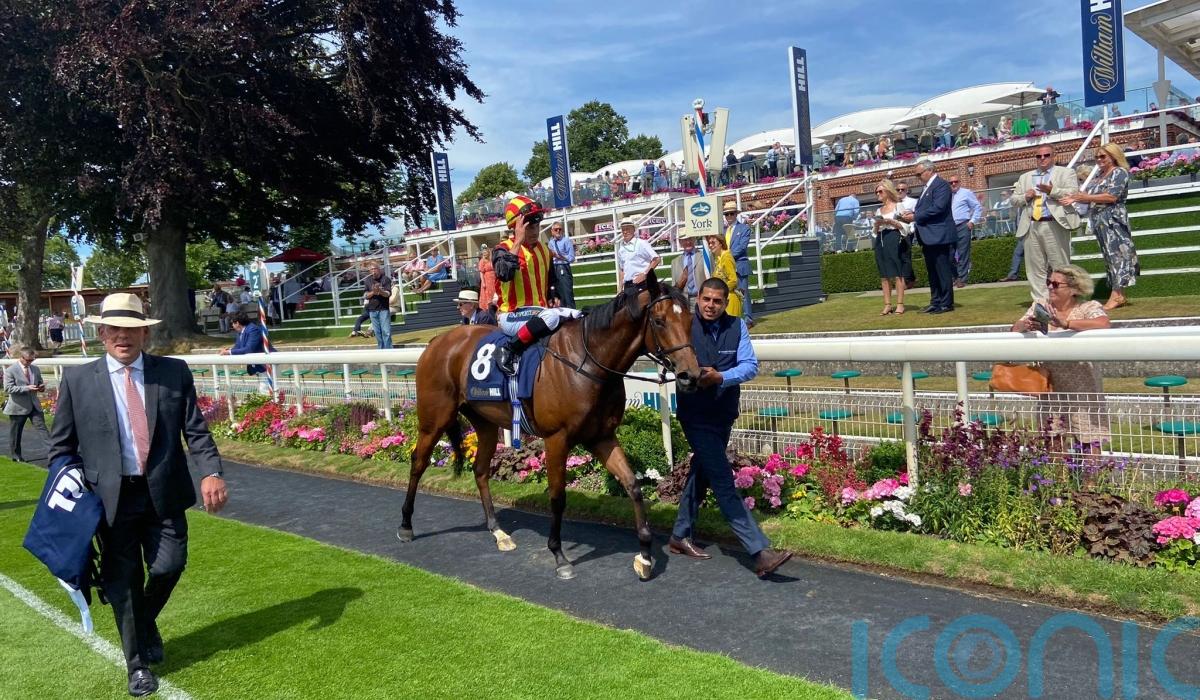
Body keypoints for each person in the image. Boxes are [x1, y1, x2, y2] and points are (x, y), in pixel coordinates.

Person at [48, 292, 227, 698]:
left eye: (130, 329)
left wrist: (211, 472)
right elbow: (61, 448)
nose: (122, 336)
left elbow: (195, 430)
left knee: (169, 566)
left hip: (163, 492)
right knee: (123, 582)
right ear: (102, 334)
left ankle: (143, 623)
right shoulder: (78, 380)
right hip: (109, 500)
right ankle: (137, 665)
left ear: (144, 334)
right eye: (114, 329)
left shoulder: (173, 372)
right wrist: (70, 496)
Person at [667, 278, 792, 578]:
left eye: (717, 301)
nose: (710, 305)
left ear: (726, 303)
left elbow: (750, 366)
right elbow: (672, 356)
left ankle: (680, 535)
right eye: (706, 299)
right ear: (698, 298)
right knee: (723, 479)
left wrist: (721, 377)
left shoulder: (738, 326)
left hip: (724, 413)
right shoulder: (685, 325)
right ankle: (759, 552)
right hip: (695, 415)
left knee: (703, 471)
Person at [1011, 265, 1111, 454]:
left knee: (1090, 440)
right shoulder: (1040, 306)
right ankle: (1056, 474)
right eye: (1048, 282)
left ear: (1074, 289)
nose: (1050, 287)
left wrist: (1065, 323)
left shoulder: (1089, 307)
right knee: (1052, 440)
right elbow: (1015, 328)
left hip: (1083, 387)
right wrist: (1026, 324)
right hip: (1050, 385)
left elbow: (1103, 324)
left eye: (1055, 284)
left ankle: (1091, 475)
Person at [492, 196, 580, 376]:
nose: (535, 231)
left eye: (537, 226)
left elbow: (551, 281)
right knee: (550, 316)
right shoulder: (502, 249)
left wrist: (553, 296)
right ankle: (508, 349)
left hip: (539, 314)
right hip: (511, 315)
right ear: (516, 227)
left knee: (578, 314)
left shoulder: (544, 250)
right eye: (529, 227)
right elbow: (504, 274)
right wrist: (518, 241)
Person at [1061, 143, 1137, 310]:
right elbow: (1090, 196)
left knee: (1117, 255)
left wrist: (1085, 198)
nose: (1099, 160)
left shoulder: (1119, 172)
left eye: (1103, 156)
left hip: (1113, 219)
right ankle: (1119, 294)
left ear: (1113, 156)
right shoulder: (1100, 174)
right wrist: (1077, 198)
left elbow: (1112, 196)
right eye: (1096, 157)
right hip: (1100, 220)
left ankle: (1117, 295)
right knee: (1109, 256)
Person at [1008, 146, 1081, 300]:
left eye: (1046, 155)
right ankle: (1040, 302)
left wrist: (1052, 191)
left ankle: (1065, 299)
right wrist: (1026, 196)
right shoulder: (1025, 177)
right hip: (1031, 225)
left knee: (1061, 266)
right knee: (1034, 268)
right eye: (1038, 156)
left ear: (1054, 156)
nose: (1042, 158)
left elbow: (1073, 193)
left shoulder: (1066, 172)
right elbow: (1014, 200)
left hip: (1054, 223)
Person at [900, 159, 956, 314]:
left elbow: (938, 208)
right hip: (928, 236)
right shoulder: (927, 187)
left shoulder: (941, 185)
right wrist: (912, 213)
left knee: (942, 270)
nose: (918, 177)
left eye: (919, 174)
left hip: (939, 235)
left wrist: (915, 216)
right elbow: (927, 208)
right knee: (932, 271)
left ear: (929, 170)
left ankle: (946, 303)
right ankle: (935, 301)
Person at [4, 347, 49, 462]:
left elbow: (39, 383)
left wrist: (41, 387)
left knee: (43, 430)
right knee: (16, 433)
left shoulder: (35, 369)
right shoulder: (10, 370)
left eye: (32, 360)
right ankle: (16, 455)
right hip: (18, 407)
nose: (30, 362)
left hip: (34, 405)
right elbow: (8, 388)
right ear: (21, 357)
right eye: (28, 360)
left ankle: (54, 454)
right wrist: (26, 388)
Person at [872, 180, 910, 316]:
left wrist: (892, 222)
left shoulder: (898, 206)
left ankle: (900, 304)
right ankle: (887, 305)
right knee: (884, 274)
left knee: (898, 272)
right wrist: (877, 224)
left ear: (888, 191)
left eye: (880, 191)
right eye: (876, 192)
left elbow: (906, 226)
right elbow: (875, 231)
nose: (878, 194)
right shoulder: (879, 210)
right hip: (881, 239)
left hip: (894, 237)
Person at [221, 312, 270, 394]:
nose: (232, 326)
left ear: (237, 323)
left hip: (267, 363)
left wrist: (229, 352)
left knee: (265, 390)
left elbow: (249, 349)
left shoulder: (253, 329)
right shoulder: (241, 332)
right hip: (260, 365)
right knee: (264, 390)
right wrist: (228, 350)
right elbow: (238, 347)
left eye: (232, 323)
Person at [949, 175, 983, 288]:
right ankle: (956, 276)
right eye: (951, 182)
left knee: (963, 253)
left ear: (959, 182)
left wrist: (973, 221)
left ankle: (962, 279)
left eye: (955, 181)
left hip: (963, 225)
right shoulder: (947, 195)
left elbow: (977, 207)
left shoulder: (966, 193)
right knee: (949, 255)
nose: (953, 184)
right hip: (950, 228)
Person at [704, 235, 742, 320]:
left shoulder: (726, 257)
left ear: (721, 243)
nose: (710, 245)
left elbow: (733, 280)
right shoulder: (719, 259)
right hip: (723, 299)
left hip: (729, 298)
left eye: (713, 243)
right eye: (709, 243)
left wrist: (720, 292)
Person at [615, 217, 661, 289]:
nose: (625, 232)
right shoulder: (621, 249)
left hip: (642, 283)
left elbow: (656, 259)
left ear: (634, 229)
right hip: (628, 285)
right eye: (623, 229)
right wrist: (620, 289)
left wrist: (645, 274)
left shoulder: (641, 243)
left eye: (627, 229)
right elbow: (622, 270)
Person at [547, 221, 576, 308]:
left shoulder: (566, 241)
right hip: (553, 268)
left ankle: (571, 312)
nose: (558, 231)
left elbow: (571, 258)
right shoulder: (551, 243)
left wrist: (559, 256)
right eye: (556, 229)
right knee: (556, 294)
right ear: (552, 231)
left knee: (567, 293)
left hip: (563, 267)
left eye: (560, 229)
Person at [363, 263, 393, 349]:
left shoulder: (385, 279)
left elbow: (388, 294)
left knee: (386, 331)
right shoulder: (367, 280)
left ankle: (388, 349)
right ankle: (381, 349)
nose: (373, 271)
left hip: (383, 309)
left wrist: (380, 291)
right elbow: (365, 295)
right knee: (377, 332)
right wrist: (373, 292)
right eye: (371, 269)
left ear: (379, 269)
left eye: (375, 269)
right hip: (372, 310)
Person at [671, 233, 701, 311]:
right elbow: (674, 285)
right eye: (684, 240)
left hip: (701, 299)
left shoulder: (705, 257)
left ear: (694, 239)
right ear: (680, 242)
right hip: (684, 302)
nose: (688, 242)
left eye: (690, 238)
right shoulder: (675, 262)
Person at [477, 244, 498, 313]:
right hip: (487, 280)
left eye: (486, 252)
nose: (485, 254)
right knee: (488, 294)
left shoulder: (491, 260)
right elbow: (481, 273)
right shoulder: (482, 261)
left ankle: (495, 306)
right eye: (483, 253)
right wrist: (483, 282)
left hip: (493, 279)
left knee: (494, 293)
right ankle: (488, 308)